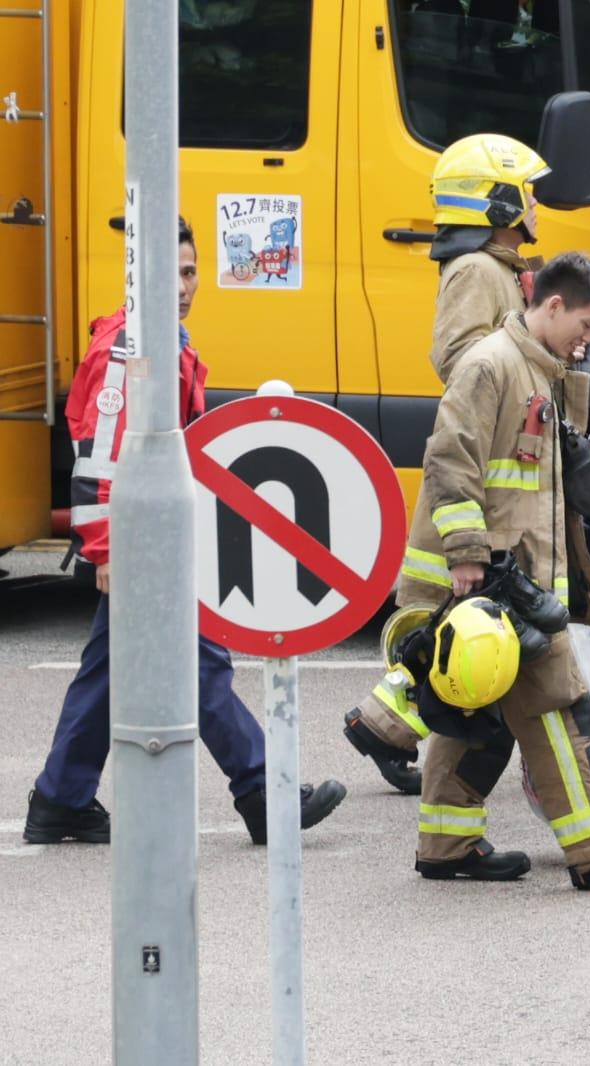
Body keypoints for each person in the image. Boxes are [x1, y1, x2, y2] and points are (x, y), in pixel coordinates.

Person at [342, 133, 590, 795]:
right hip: (488, 480)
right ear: (496, 201)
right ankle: (389, 723)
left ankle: (398, 724)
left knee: (494, 629)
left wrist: (585, 305)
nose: (536, 205)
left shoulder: (501, 268)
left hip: (513, 477)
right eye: (528, 193)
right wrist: (524, 354)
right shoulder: (473, 271)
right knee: (468, 635)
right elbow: (458, 356)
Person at [23, 216, 347, 847]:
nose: (181, 286)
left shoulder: (163, 342)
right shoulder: (129, 351)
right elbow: (98, 461)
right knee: (198, 662)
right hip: (142, 544)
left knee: (111, 670)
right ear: (135, 277)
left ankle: (61, 798)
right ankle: (263, 791)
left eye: (190, 271)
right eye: (166, 273)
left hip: (155, 536)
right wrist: (107, 553)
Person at [401, 251, 590, 886]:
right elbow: (449, 461)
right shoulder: (492, 364)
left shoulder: (542, 370)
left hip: (516, 581)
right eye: (586, 325)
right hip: (500, 581)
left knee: (473, 715)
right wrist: (467, 554)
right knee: (559, 708)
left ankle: (446, 843)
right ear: (553, 306)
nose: (589, 340)